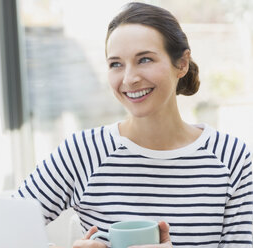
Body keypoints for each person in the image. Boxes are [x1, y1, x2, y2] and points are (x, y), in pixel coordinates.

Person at [13, 2, 253, 248]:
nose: (129, 79)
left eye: (145, 59)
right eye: (116, 64)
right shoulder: (82, 151)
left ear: (181, 63)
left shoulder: (232, 159)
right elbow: (4, 230)